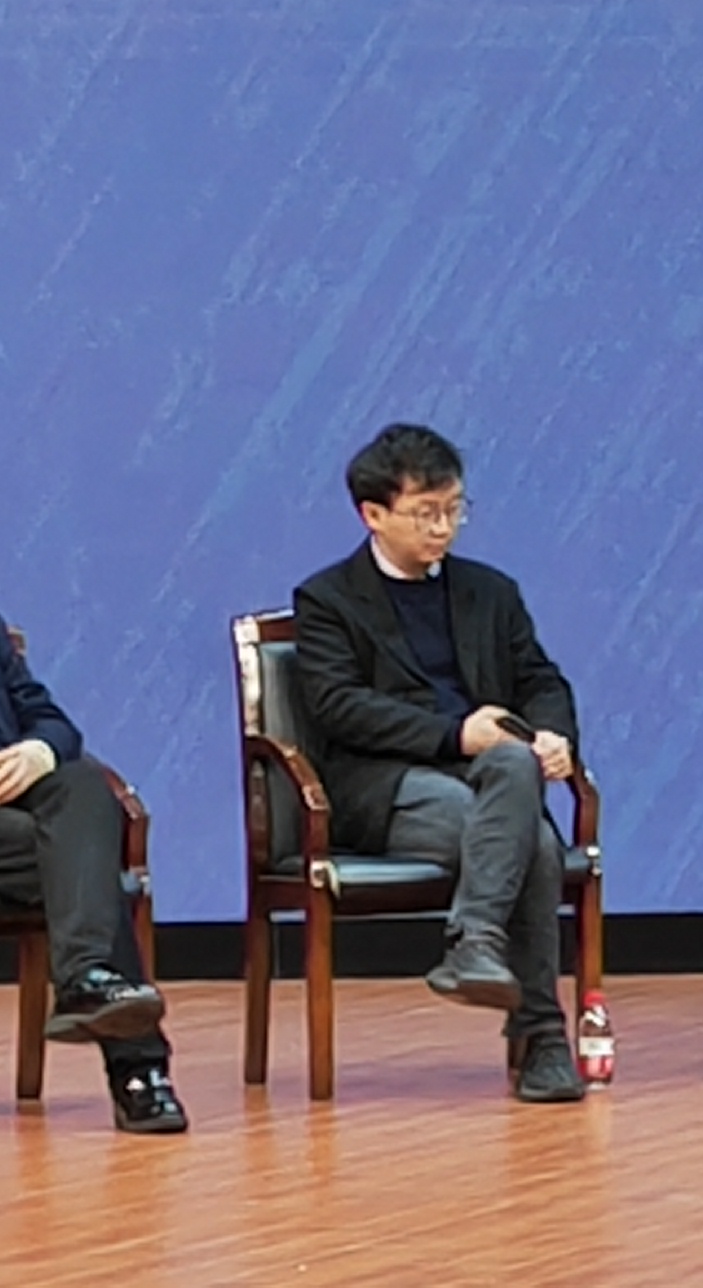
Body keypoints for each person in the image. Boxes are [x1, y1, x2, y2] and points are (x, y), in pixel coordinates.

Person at [286, 423, 588, 1105]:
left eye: (454, 509)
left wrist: (552, 735)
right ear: (373, 514)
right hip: (388, 786)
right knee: (537, 845)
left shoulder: (491, 591)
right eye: (426, 513)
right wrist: (456, 735)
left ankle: (474, 942)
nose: (444, 528)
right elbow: (339, 707)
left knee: (514, 770)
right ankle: (542, 1038)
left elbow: (541, 679)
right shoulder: (328, 600)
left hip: (492, 777)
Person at [0, 464, 182, 1133]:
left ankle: (86, 978)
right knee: (81, 864)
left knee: (78, 780)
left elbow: (51, 720)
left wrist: (33, 753)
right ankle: (139, 1070)